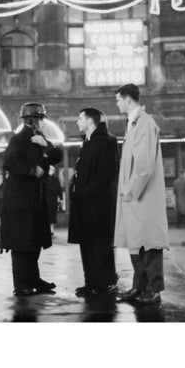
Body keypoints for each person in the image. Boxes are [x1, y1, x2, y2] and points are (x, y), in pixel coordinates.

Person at [0, 102, 63, 296]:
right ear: (33, 121)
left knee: (33, 242)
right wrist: (31, 170)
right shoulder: (18, 140)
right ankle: (22, 284)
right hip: (20, 201)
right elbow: (8, 163)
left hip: (34, 201)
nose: (44, 123)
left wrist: (47, 145)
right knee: (21, 245)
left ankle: (34, 279)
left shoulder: (39, 138)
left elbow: (57, 156)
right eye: (42, 119)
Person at [114, 84, 169, 305]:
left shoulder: (144, 124)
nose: (117, 103)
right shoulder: (134, 123)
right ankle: (139, 286)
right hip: (135, 198)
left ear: (128, 99)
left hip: (142, 196)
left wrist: (130, 190)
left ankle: (153, 289)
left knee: (149, 242)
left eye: (118, 99)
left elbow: (144, 165)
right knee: (137, 242)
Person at [68, 108, 119, 297]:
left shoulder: (107, 141)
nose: (77, 122)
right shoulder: (87, 142)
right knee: (87, 244)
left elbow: (107, 174)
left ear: (90, 121)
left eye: (80, 118)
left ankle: (105, 283)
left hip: (98, 205)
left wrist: (85, 192)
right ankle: (91, 282)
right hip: (84, 204)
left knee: (100, 245)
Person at [45, 165, 63, 236]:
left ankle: (51, 229)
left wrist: (61, 198)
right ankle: (48, 230)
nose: (51, 171)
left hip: (53, 200)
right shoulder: (45, 179)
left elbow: (59, 189)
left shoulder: (55, 179)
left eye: (52, 170)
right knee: (47, 215)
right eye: (50, 170)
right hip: (46, 200)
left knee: (52, 215)